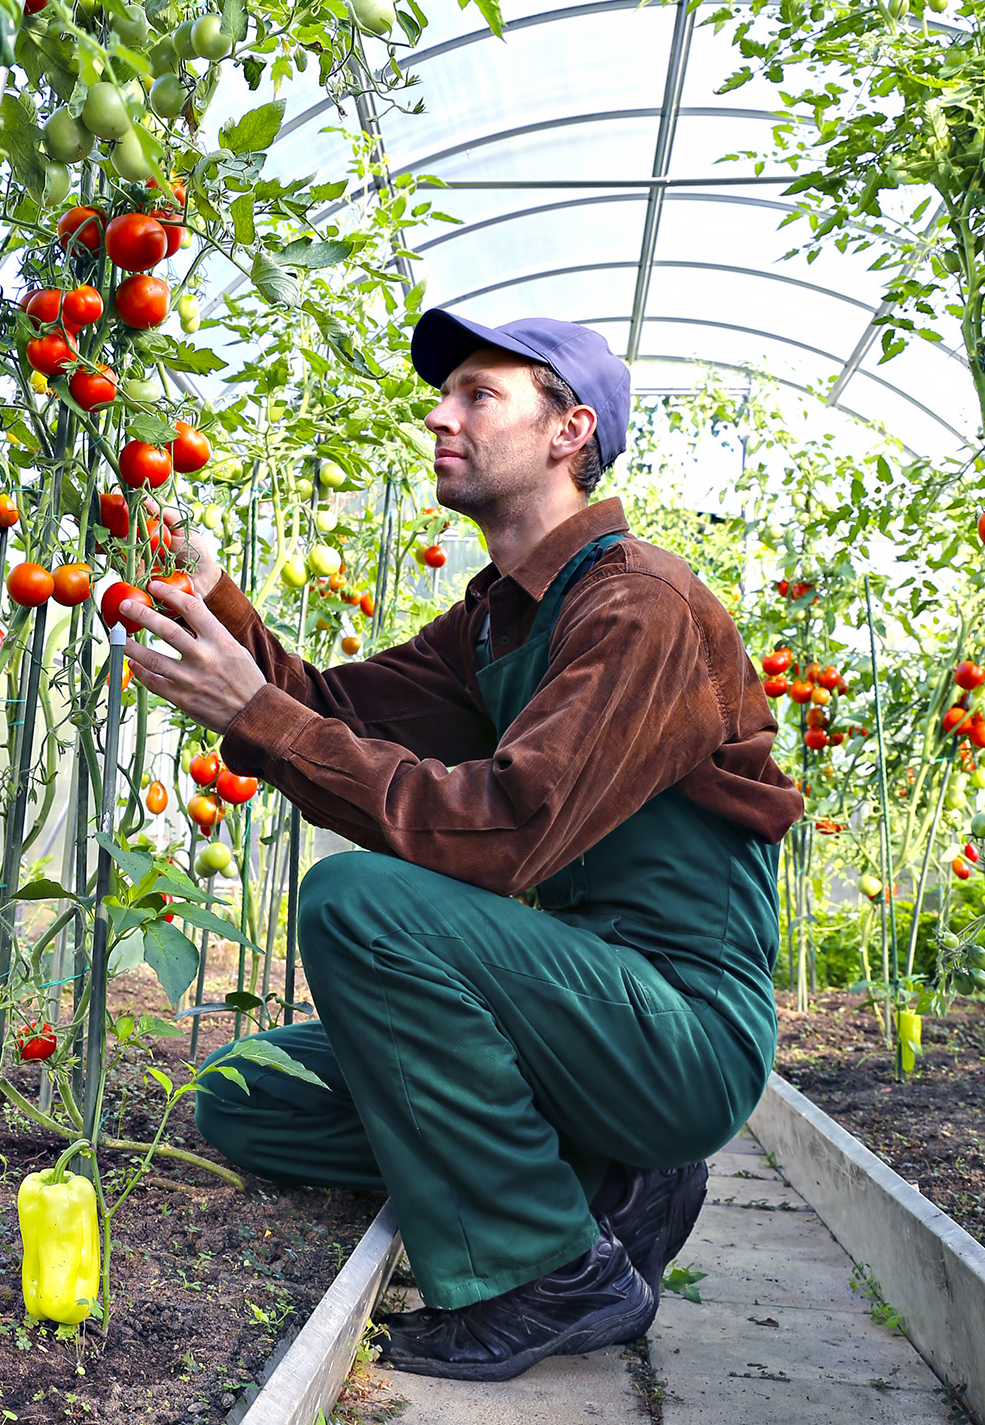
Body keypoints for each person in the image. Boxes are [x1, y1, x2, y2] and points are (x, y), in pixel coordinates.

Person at [117, 312, 803, 1383]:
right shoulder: (497, 619)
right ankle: (607, 1175)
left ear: (571, 430)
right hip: (575, 1017)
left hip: (680, 1031)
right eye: (446, 395)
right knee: (245, 1093)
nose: (440, 413)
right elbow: (337, 708)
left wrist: (258, 714)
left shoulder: (639, 606)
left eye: (479, 394)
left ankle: (549, 1270)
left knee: (357, 901)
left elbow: (508, 833)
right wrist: (217, 602)